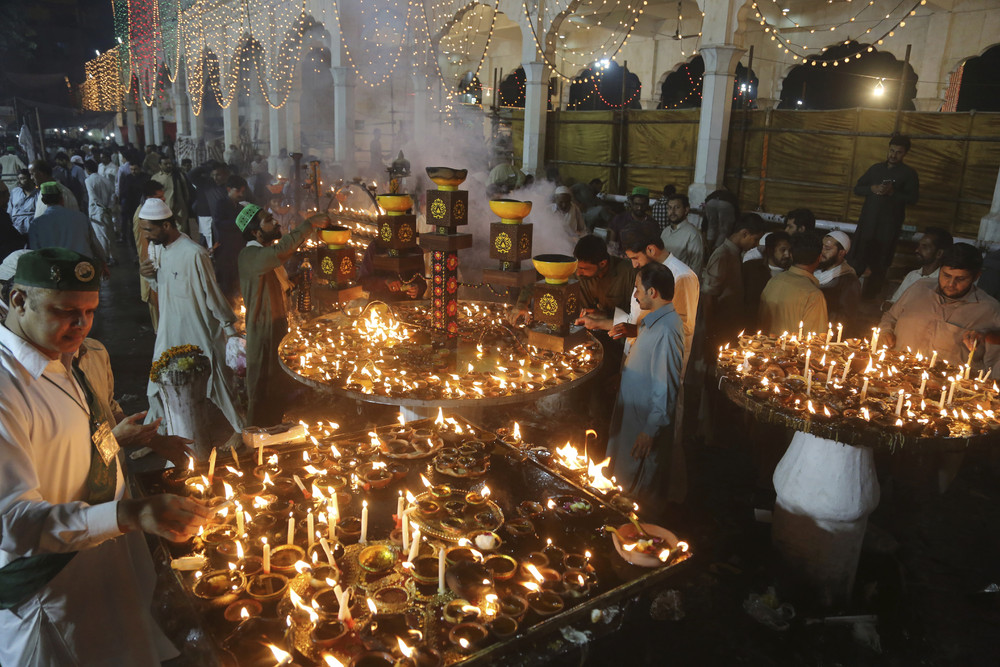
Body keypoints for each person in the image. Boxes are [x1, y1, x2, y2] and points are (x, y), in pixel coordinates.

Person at [0, 247, 209, 665]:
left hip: (104, 570)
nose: (81, 325)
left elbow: (70, 452)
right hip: (54, 594)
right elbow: (12, 523)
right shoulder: (8, 388)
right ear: (18, 300)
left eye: (90, 311)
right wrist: (129, 515)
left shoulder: (58, 358)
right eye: (65, 311)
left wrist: (125, 445)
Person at [138, 198, 245, 435]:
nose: (145, 235)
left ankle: (242, 432)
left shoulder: (194, 253)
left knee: (217, 386)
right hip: (169, 329)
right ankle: (155, 435)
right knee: (155, 387)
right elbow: (164, 287)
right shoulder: (158, 250)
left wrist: (229, 330)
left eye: (149, 229)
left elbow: (212, 294)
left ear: (166, 226)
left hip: (199, 329)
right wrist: (148, 276)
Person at [238, 206, 328, 426]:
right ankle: (255, 437)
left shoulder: (264, 253)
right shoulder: (250, 255)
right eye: (269, 221)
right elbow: (282, 251)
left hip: (276, 324)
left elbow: (278, 283)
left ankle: (273, 431)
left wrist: (298, 280)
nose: (276, 223)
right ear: (255, 233)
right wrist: (310, 224)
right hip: (262, 328)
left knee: (275, 383)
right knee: (260, 385)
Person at [606, 262, 686, 507]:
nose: (635, 295)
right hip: (633, 414)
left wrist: (649, 430)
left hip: (642, 422)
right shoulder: (654, 322)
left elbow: (666, 386)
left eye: (638, 289)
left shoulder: (667, 330)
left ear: (653, 292)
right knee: (623, 479)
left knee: (636, 489)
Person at [880, 243, 1000, 369]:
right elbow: (891, 316)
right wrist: (886, 331)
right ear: (940, 269)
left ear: (976, 276)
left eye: (960, 279)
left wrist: (988, 336)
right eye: (946, 275)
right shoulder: (919, 288)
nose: (951, 284)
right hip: (895, 376)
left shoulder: (989, 309)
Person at [848, 134, 920, 299]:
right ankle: (849, 295)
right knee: (857, 260)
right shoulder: (875, 169)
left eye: (899, 152)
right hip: (867, 225)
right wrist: (872, 189)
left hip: (888, 229)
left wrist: (893, 193)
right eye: (892, 151)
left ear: (905, 154)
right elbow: (858, 188)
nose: (893, 155)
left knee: (880, 265)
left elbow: (913, 199)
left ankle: (870, 300)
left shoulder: (908, 174)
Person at [701, 213, 765, 351]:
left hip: (729, 324)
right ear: (744, 233)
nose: (756, 244)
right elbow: (708, 296)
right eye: (755, 239)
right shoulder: (722, 255)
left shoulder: (736, 254)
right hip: (719, 325)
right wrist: (709, 332)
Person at [758, 231, 828, 336]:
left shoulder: (774, 280)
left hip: (764, 348)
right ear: (819, 258)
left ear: (791, 255)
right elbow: (814, 341)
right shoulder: (813, 295)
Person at [28, 182, 102, 260]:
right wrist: (103, 262)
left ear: (43, 200)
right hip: (82, 267)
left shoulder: (36, 224)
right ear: (62, 198)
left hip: (55, 268)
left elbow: (36, 253)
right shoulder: (81, 217)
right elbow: (94, 245)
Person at [884, 226, 953, 309]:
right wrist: (887, 305)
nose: (917, 250)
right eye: (919, 245)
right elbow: (895, 301)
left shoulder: (944, 282)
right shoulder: (912, 275)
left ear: (939, 253)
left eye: (924, 247)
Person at [212, 175, 252, 304]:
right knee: (226, 284)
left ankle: (237, 309)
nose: (241, 194)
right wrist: (239, 223)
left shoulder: (240, 207)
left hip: (239, 251)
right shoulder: (221, 204)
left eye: (242, 191)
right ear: (229, 189)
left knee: (238, 282)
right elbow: (219, 223)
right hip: (225, 251)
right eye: (238, 191)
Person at [133, 180, 166, 331]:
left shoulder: (155, 213)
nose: (164, 200)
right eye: (160, 198)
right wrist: (151, 277)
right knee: (160, 323)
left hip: (161, 272)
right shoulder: (142, 217)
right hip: (153, 274)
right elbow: (143, 251)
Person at [743, 230, 792, 329]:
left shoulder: (792, 273)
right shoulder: (751, 268)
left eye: (790, 251)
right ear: (770, 250)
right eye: (783, 250)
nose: (787, 255)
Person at [815, 231, 861, 335]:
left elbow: (847, 317)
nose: (822, 252)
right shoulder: (814, 270)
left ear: (841, 253)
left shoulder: (849, 280)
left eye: (827, 249)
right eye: (821, 247)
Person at [659, 193, 705, 275]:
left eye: (677, 207)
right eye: (669, 208)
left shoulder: (692, 234)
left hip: (681, 282)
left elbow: (696, 267)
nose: (672, 212)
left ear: (686, 210)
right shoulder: (665, 232)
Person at [606, 187, 657, 256]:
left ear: (647, 204)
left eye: (642, 205)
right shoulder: (619, 219)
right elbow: (611, 245)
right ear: (631, 203)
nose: (639, 208)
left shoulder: (652, 224)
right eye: (636, 204)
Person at [84, 160, 116, 265]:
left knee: (100, 236)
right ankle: (112, 256)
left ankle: (105, 257)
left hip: (96, 212)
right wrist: (109, 207)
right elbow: (113, 195)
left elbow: (93, 197)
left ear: (87, 170)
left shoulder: (88, 181)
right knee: (109, 234)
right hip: (107, 210)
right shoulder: (106, 180)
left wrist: (102, 207)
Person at [152, 155, 192, 236]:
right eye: (166, 164)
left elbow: (186, 192)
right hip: (164, 211)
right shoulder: (155, 178)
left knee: (181, 235)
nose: (169, 165)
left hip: (180, 212)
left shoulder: (179, 176)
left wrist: (185, 206)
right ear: (160, 165)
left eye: (170, 163)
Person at [8, 169, 37, 236]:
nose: (19, 181)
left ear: (30, 179)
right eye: (18, 179)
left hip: (32, 229)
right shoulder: (15, 192)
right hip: (16, 228)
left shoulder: (38, 194)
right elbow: (9, 210)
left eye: (22, 179)